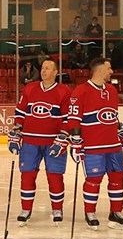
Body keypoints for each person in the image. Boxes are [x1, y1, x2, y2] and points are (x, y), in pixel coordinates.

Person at [9, 58, 75, 226]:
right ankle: (26, 209)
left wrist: (63, 136)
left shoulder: (64, 91)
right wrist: (17, 131)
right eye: (43, 68)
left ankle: (57, 209)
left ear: (55, 72)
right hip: (30, 142)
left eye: (48, 68)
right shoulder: (30, 88)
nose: (44, 71)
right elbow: (20, 112)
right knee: (27, 175)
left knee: (55, 176)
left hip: (53, 142)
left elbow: (68, 119)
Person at [72, 57, 123, 230]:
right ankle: (90, 212)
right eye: (109, 68)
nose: (111, 71)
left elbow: (113, 115)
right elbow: (74, 118)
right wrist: (76, 142)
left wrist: (120, 133)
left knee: (118, 177)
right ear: (99, 70)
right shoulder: (80, 91)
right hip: (92, 146)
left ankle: (116, 213)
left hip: (112, 145)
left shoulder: (112, 90)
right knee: (93, 179)